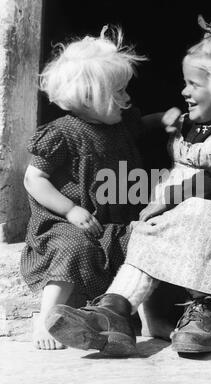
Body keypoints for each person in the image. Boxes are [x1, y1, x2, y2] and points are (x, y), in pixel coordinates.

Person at [45, 16, 211, 356]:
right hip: (176, 211)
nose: (183, 91)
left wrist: (170, 197)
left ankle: (201, 311)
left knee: (202, 217)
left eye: (193, 85)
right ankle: (114, 311)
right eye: (185, 83)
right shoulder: (189, 124)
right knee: (148, 228)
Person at [20, 26, 147, 350]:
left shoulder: (122, 124)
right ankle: (47, 318)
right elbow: (33, 178)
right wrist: (70, 210)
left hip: (110, 220)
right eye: (117, 92)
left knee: (144, 244)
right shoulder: (62, 133)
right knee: (73, 247)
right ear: (89, 97)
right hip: (66, 223)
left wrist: (164, 120)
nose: (127, 98)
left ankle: (132, 315)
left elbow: (144, 125)